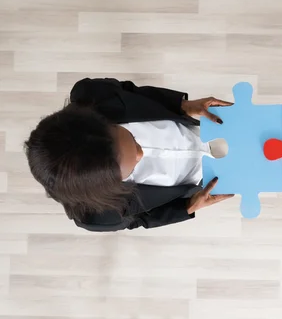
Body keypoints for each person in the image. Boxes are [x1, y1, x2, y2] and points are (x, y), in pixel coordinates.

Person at [25, 78, 234, 232]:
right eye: (131, 165)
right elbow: (139, 219)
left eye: (133, 139)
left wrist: (183, 105)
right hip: (201, 179)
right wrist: (188, 207)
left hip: (199, 131)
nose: (141, 153)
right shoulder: (97, 217)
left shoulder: (92, 94)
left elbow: (132, 92)